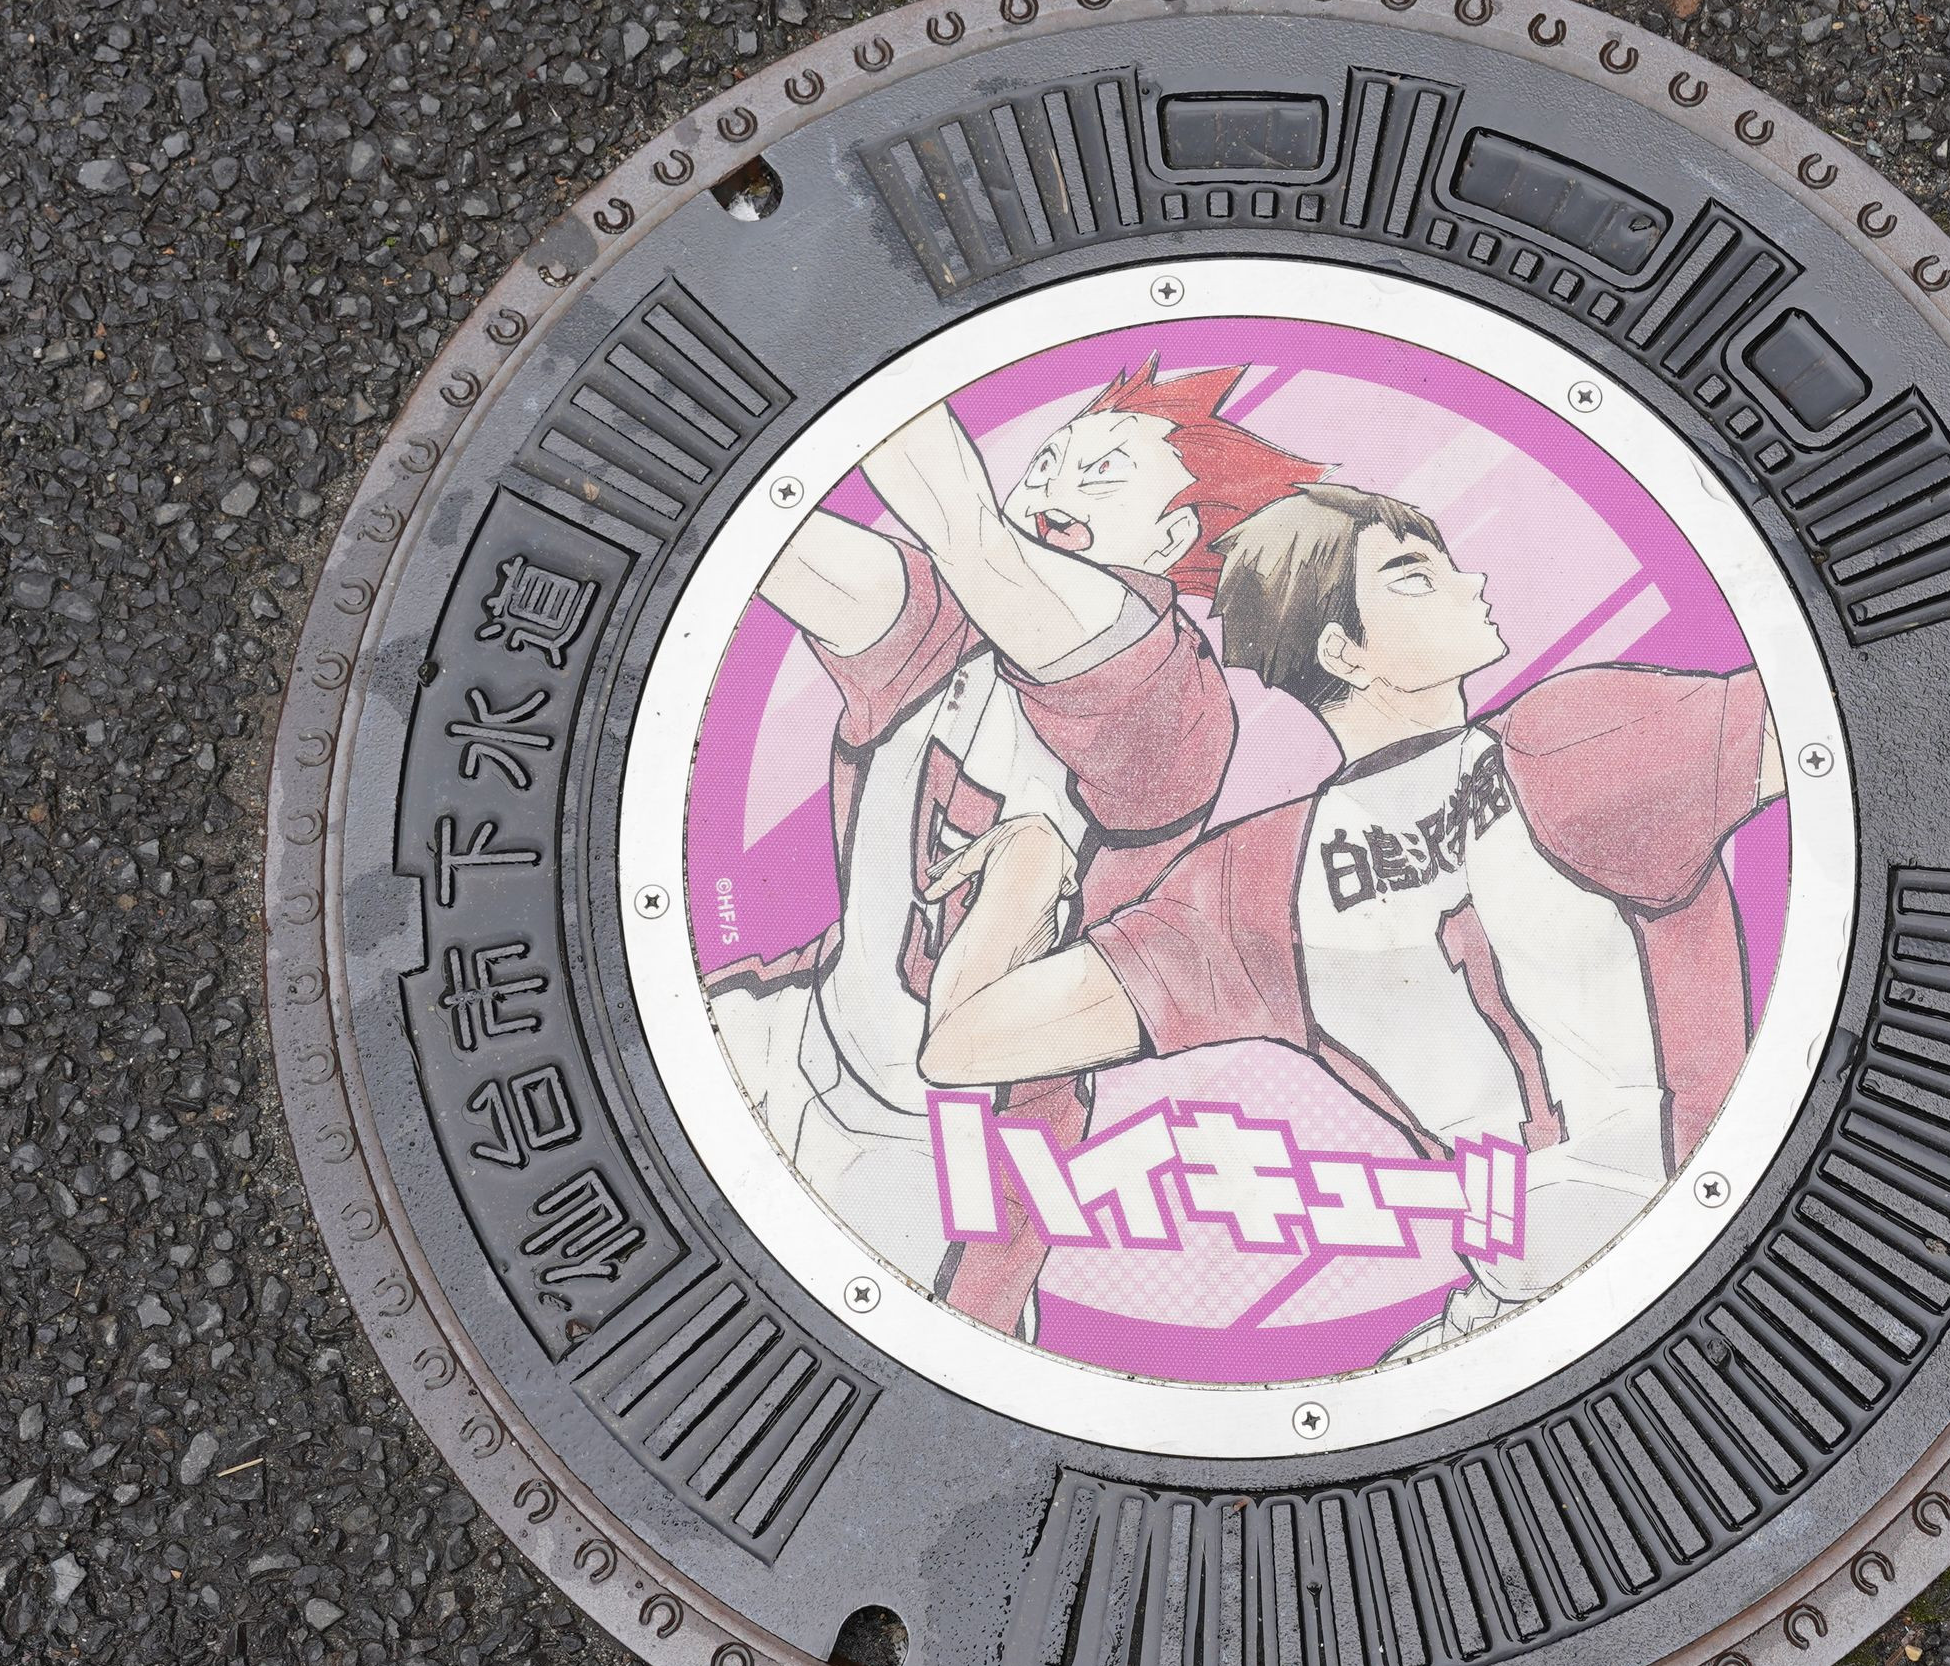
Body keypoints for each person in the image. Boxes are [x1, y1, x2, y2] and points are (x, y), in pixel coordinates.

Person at [921, 481, 1783, 1353]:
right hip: (1716, 1266)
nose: (1473, 583)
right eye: (1416, 575)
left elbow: (961, 1040)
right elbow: (1844, 729)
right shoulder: (1573, 736)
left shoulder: (1254, 876)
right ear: (1343, 651)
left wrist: (1028, 863)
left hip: (1550, 1313)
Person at [708, 362, 1321, 1314]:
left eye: (1099, 474)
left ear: (1170, 540)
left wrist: (869, 341)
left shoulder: (1170, 691)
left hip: (949, 1152)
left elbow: (972, 534)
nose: (1050, 489)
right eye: (1046, 463)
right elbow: (768, 537)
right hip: (794, 1028)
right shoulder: (952, 619)